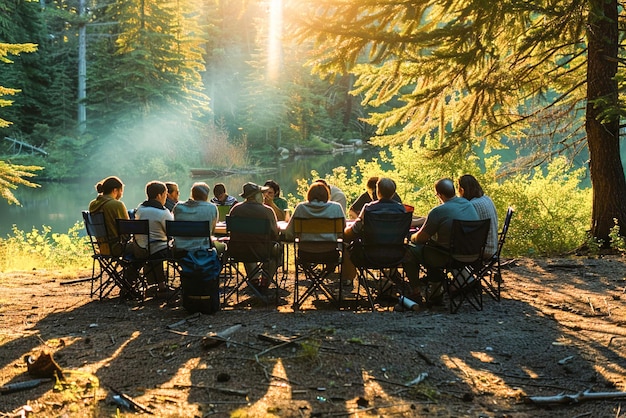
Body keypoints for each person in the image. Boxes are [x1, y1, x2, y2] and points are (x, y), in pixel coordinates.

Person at [402, 178, 479, 305]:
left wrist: (411, 237)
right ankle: (435, 293)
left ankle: (416, 292)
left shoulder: (438, 211)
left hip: (448, 258)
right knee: (433, 248)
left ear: (440, 195)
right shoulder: (468, 204)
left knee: (409, 251)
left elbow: (421, 238)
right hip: (472, 255)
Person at [343, 177, 407, 284]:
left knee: (346, 244)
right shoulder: (401, 209)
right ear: (393, 193)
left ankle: (349, 279)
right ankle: (390, 278)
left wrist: (345, 231)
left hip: (369, 255)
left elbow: (355, 229)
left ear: (378, 191)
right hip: (396, 255)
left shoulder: (368, 208)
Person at [229, 182, 281, 289]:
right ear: (256, 196)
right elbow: (274, 234)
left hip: (238, 251)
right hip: (262, 251)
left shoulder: (235, 209)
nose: (263, 196)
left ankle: (254, 279)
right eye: (261, 193)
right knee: (278, 250)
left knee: (246, 245)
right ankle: (265, 279)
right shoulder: (267, 211)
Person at [134, 181, 174, 294]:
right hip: (158, 250)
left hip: (141, 248)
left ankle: (154, 285)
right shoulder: (163, 212)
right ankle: (163, 286)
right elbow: (172, 231)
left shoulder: (140, 209)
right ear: (159, 195)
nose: (166, 198)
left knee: (155, 248)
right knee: (169, 249)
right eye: (165, 195)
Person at [283, 181, 346, 251]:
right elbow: (343, 231)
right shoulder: (336, 208)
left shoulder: (300, 208)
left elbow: (289, 233)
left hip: (305, 253)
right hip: (329, 253)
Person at [173, 182, 225, 254]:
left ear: (192, 194)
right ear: (206, 195)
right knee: (222, 247)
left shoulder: (178, 207)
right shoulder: (211, 208)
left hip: (180, 250)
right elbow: (212, 231)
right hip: (203, 249)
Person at [458, 174, 498, 258]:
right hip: (493, 246)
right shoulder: (487, 199)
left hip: (481, 250)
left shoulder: (471, 206)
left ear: (462, 190)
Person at [88, 176, 130, 256]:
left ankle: (130, 268)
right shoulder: (116, 205)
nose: (121, 194)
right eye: (121, 191)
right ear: (115, 190)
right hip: (117, 247)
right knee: (147, 248)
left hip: (102, 247)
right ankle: (131, 268)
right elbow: (127, 230)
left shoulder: (93, 205)